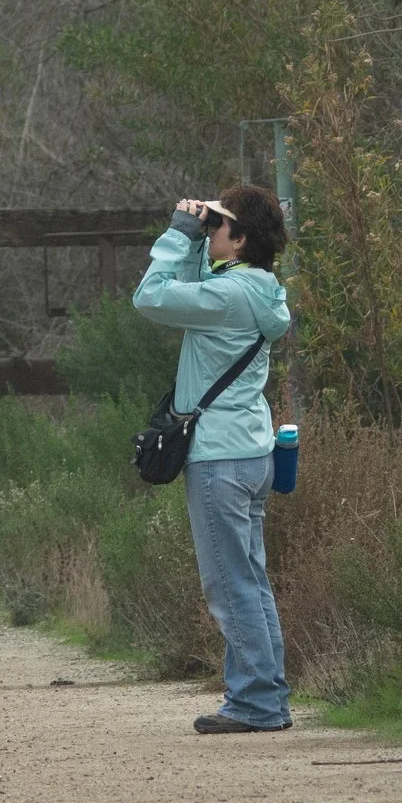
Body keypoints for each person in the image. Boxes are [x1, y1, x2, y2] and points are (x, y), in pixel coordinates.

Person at [133, 184, 295, 734]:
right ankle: (265, 696)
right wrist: (201, 243)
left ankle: (255, 704)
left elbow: (151, 297)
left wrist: (176, 236)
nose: (212, 228)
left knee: (229, 584)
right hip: (253, 451)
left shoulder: (228, 298)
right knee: (250, 578)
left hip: (219, 461)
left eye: (220, 224)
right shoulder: (259, 290)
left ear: (241, 238)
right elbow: (200, 286)